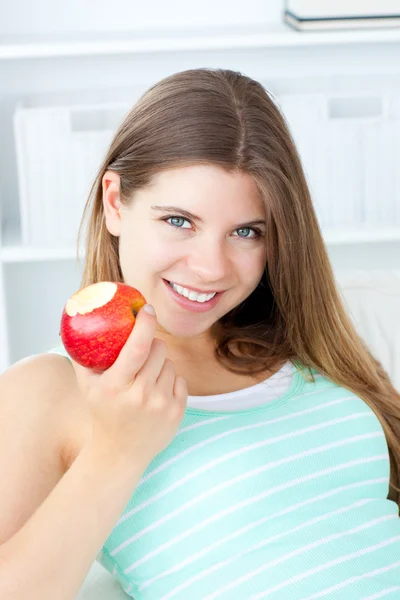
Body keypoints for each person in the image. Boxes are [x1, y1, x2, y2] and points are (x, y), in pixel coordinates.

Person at [1, 67, 399, 600]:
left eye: (245, 232)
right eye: (179, 221)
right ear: (116, 203)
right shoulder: (51, 389)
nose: (211, 268)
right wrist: (119, 449)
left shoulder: (310, 343)